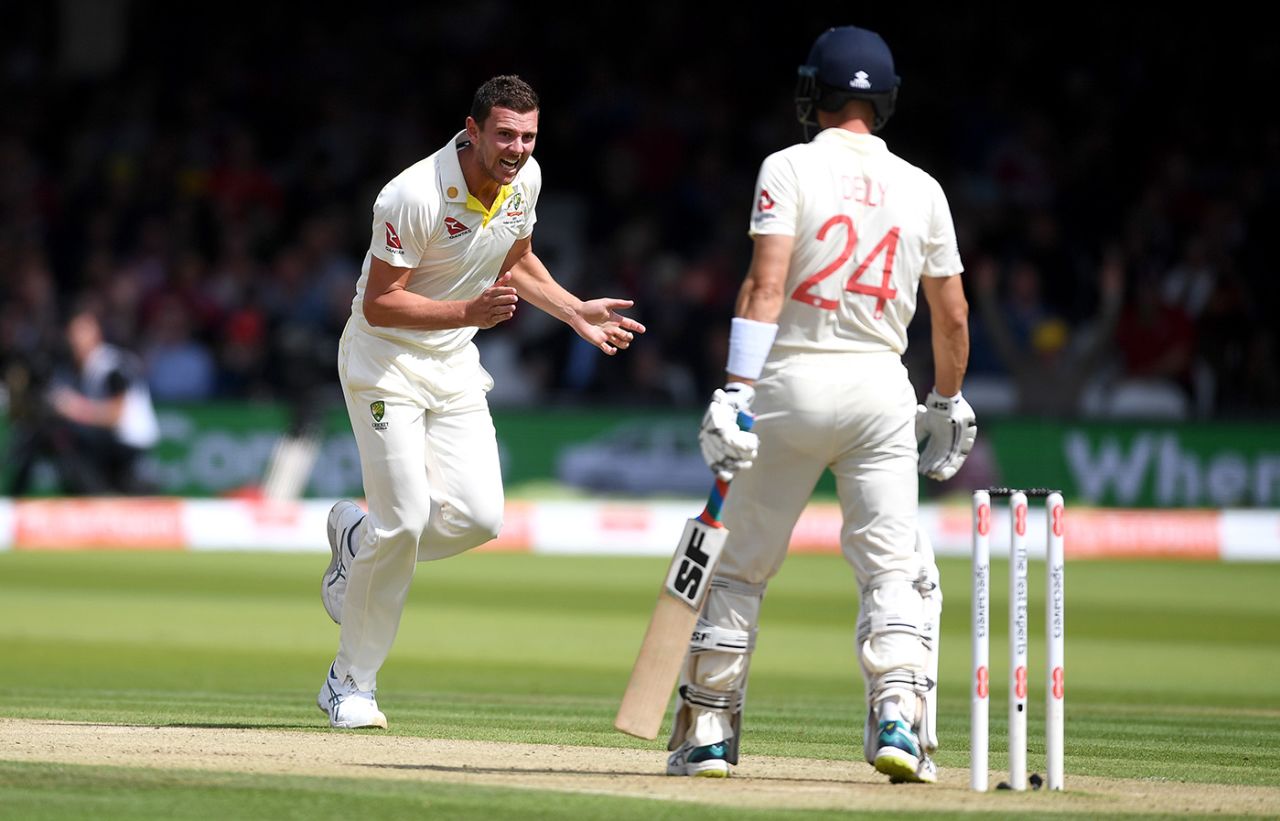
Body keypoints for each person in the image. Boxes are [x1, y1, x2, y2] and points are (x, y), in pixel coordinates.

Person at [669, 26, 974, 782]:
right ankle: (899, 717)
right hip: (880, 389)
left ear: (815, 94)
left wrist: (735, 392)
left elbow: (764, 287)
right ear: (887, 101)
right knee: (891, 568)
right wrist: (948, 399)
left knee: (739, 566)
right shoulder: (924, 188)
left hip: (792, 382)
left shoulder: (789, 166)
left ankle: (708, 729)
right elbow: (954, 316)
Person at [317, 75, 645, 729]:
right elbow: (380, 302)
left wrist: (573, 310)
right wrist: (468, 309)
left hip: (453, 361)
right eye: (504, 135)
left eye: (527, 136)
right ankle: (349, 684)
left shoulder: (526, 180)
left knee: (477, 516)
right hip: (384, 361)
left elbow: (514, 257)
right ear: (472, 131)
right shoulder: (412, 195)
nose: (517, 148)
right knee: (405, 518)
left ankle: (357, 541)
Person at [9, 303, 160, 496]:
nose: (76, 340)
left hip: (127, 447)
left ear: (96, 332)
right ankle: (15, 499)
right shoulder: (77, 368)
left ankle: (95, 497)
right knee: (46, 431)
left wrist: (74, 409)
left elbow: (116, 415)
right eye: (73, 333)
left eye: (82, 331)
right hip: (104, 444)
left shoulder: (110, 365)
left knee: (60, 436)